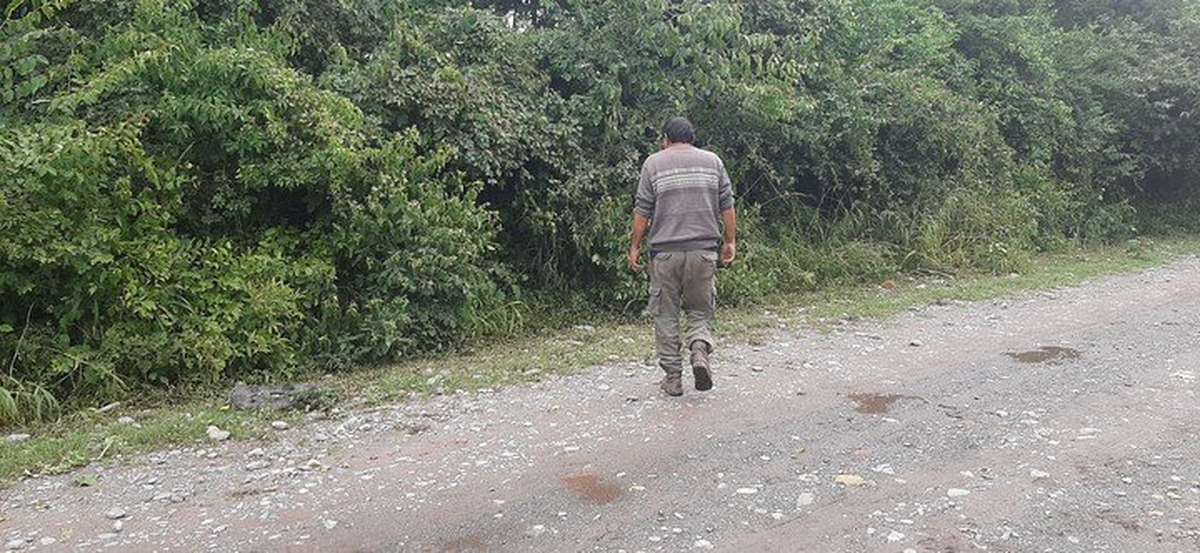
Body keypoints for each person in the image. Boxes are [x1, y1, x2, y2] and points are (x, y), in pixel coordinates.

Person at [628, 117, 737, 397]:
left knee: (666, 315)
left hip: (665, 254)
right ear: (692, 137)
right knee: (700, 309)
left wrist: (635, 246)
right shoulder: (713, 161)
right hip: (703, 252)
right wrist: (730, 241)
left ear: (666, 138)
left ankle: (674, 378)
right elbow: (727, 204)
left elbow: (643, 210)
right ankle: (699, 349)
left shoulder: (653, 163)